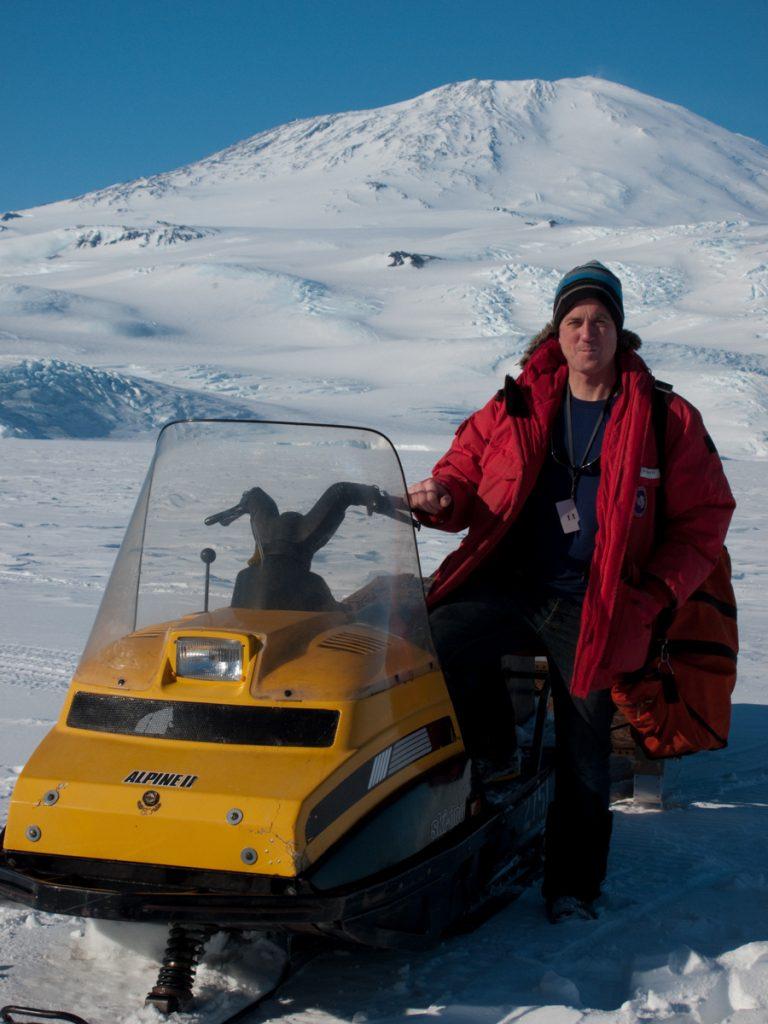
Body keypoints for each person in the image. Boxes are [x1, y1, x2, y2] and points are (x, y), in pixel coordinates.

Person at [407, 261, 735, 923]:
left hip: (596, 603)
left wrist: (649, 602)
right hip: (513, 583)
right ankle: (495, 755)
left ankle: (574, 888)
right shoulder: (518, 403)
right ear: (555, 333)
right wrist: (441, 497)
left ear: (620, 333)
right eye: (575, 321)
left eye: (601, 321)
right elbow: (464, 470)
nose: (588, 332)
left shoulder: (665, 416)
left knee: (586, 746)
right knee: (433, 641)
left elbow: (704, 521)